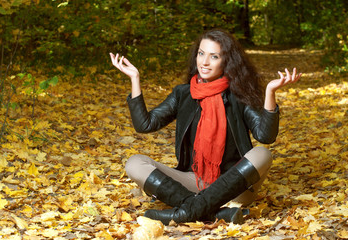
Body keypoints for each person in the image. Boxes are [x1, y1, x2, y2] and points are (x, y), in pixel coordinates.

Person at [110, 29, 301, 225]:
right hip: (194, 181)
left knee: (262, 154)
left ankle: (184, 212)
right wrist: (135, 79)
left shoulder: (238, 96)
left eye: (214, 56)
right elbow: (145, 124)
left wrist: (270, 92)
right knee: (134, 163)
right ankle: (214, 213)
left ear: (227, 61)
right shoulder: (183, 94)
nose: (204, 62)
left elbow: (265, 136)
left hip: (234, 188)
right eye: (201, 54)